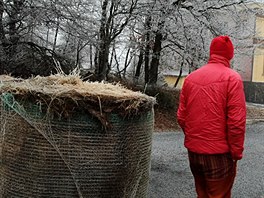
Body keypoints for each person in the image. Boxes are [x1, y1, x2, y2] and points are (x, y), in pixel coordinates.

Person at [177, 35, 246, 198]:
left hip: (194, 153)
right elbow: (236, 123)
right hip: (219, 156)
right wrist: (236, 153)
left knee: (201, 193)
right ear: (230, 54)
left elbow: (181, 116)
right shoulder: (232, 79)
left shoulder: (190, 78)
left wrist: (195, 139)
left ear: (211, 52)